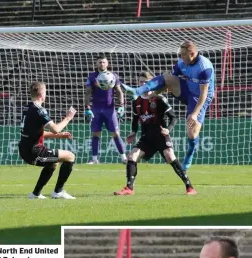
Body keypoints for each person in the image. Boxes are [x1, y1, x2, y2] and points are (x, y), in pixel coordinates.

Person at [121, 40, 214, 170]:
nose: (180, 57)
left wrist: (194, 114)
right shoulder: (181, 63)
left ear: (191, 54)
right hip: (186, 90)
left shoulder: (205, 67)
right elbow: (167, 82)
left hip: (200, 98)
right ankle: (137, 91)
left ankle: (189, 156)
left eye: (183, 54)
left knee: (192, 134)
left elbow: (204, 94)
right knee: (167, 76)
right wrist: (154, 94)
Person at [114, 72, 197, 196]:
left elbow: (173, 117)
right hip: (146, 137)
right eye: (141, 82)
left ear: (151, 83)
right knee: (132, 157)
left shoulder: (159, 99)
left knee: (170, 156)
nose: (143, 84)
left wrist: (168, 129)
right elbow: (136, 119)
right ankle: (129, 188)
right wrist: (133, 132)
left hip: (160, 135)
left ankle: (190, 187)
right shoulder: (136, 101)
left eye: (146, 82)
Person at [18, 81, 77, 200]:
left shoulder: (27, 108)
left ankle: (35, 194)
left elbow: (36, 133)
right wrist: (68, 118)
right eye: (45, 92)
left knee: (53, 162)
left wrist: (59, 136)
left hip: (25, 150)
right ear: (41, 95)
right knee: (70, 156)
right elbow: (56, 128)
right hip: (35, 152)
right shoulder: (40, 110)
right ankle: (58, 192)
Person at [85, 54, 127, 164]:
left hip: (110, 109)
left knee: (116, 134)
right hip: (96, 109)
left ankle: (124, 158)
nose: (102, 64)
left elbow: (119, 91)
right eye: (99, 62)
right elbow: (88, 92)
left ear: (107, 64)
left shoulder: (113, 76)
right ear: (96, 64)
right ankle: (94, 159)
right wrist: (87, 108)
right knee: (95, 134)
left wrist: (121, 106)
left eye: (103, 62)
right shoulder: (92, 76)